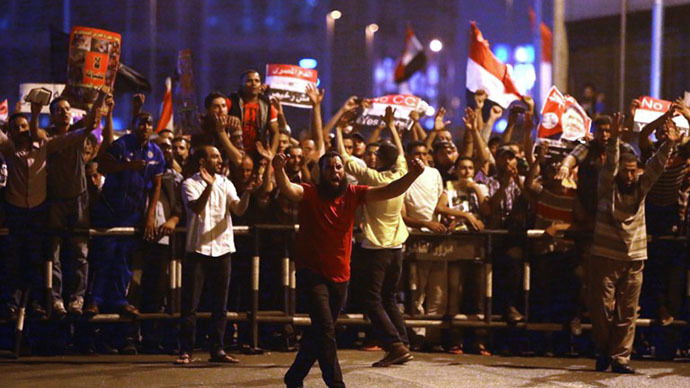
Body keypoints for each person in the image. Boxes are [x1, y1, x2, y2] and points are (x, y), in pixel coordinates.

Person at [275, 149, 425, 388]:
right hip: (311, 272)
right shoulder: (311, 193)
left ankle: (294, 376)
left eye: (338, 167)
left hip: (340, 275)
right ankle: (336, 383)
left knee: (320, 332)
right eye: (329, 168)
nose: (335, 171)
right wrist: (278, 170)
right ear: (320, 174)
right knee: (325, 329)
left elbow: (389, 191)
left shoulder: (354, 193)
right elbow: (289, 189)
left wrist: (413, 176)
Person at [589, 114, 678, 374]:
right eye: (625, 172)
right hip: (606, 256)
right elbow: (609, 166)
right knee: (603, 309)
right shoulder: (607, 187)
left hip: (634, 258)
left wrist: (669, 144)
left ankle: (620, 359)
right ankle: (604, 350)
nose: (629, 176)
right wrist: (615, 139)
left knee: (628, 313)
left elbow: (656, 167)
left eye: (633, 171)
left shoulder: (641, 186)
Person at [337, 106, 412, 367]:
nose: (373, 157)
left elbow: (346, 159)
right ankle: (402, 342)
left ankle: (394, 345)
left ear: (381, 160)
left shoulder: (375, 179)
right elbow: (401, 153)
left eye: (377, 155)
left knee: (371, 298)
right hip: (396, 247)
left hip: (376, 248)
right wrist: (391, 125)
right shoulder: (400, 172)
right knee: (389, 297)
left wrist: (337, 129)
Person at [176, 146, 260, 365]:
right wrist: (208, 188)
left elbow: (238, 209)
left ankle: (218, 349)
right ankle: (186, 350)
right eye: (214, 156)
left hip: (222, 248)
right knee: (190, 305)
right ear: (203, 161)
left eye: (219, 156)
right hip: (198, 250)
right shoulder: (189, 183)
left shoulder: (225, 182)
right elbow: (195, 208)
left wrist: (248, 192)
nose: (220, 160)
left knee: (220, 304)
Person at [86, 111, 164, 316]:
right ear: (135, 125)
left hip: (134, 213)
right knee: (104, 256)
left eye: (149, 124)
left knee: (123, 258)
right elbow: (102, 165)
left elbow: (156, 187)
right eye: (141, 123)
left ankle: (120, 299)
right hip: (110, 211)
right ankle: (95, 300)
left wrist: (149, 216)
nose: (145, 127)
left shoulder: (156, 152)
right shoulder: (122, 145)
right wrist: (127, 166)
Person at [228, 70, 278, 154]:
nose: (253, 83)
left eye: (257, 81)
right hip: (234, 152)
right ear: (241, 84)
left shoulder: (267, 105)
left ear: (260, 85)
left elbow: (275, 132)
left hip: (258, 153)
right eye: (249, 81)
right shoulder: (231, 101)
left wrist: (271, 154)